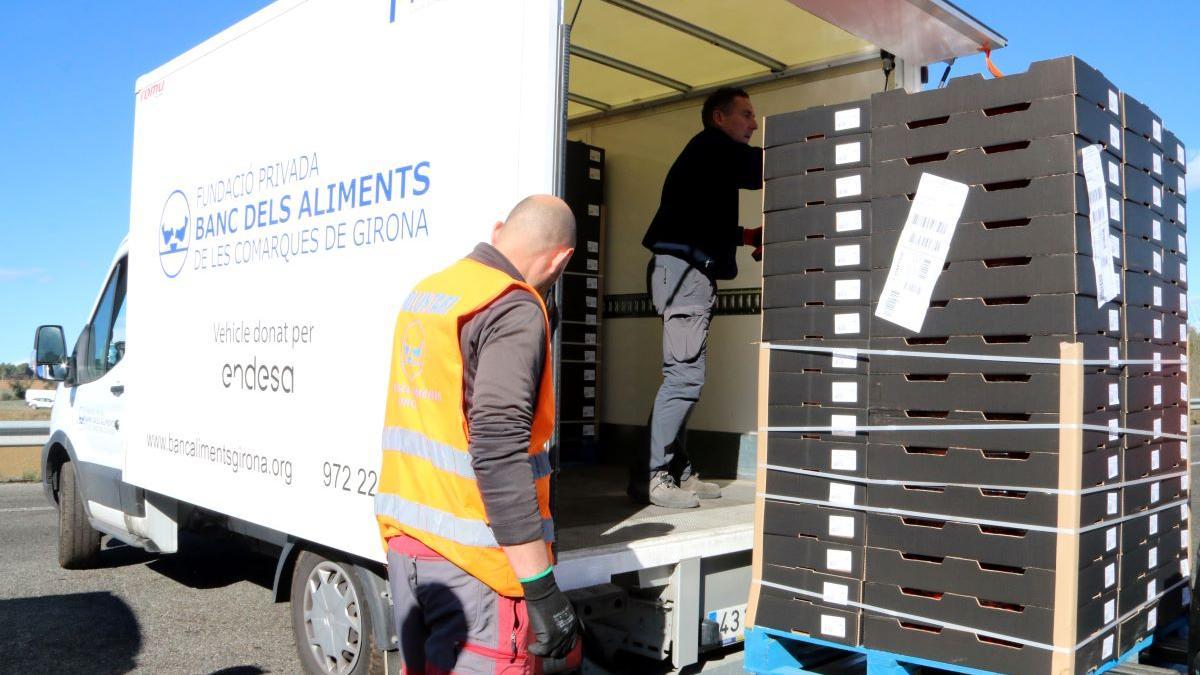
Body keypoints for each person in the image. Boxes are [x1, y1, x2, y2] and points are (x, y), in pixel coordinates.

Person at [376, 195, 579, 674]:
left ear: (497, 230)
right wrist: (542, 588)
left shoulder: (432, 292)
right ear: (561, 259)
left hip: (410, 550)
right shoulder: (512, 308)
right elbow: (497, 447)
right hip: (476, 569)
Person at [633, 87, 764, 509]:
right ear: (718, 118)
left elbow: (705, 220)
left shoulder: (708, 159)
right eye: (745, 115)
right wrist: (815, 146)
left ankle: (673, 469)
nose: (753, 123)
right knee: (684, 377)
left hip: (687, 271)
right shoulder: (712, 145)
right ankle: (652, 477)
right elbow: (763, 167)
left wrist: (746, 237)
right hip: (684, 274)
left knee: (683, 377)